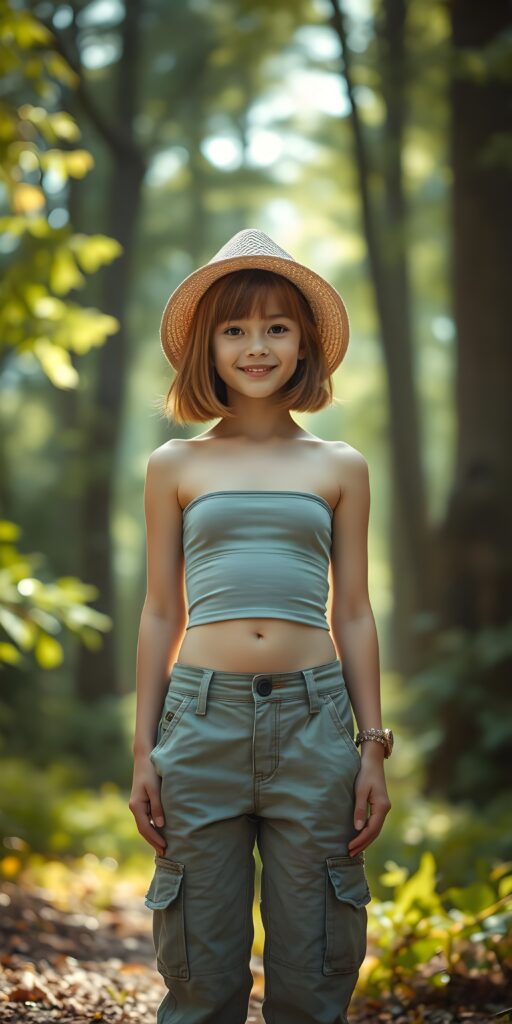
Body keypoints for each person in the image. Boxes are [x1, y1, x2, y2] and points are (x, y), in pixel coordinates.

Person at [129, 228, 393, 1024]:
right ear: (206, 348)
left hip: (315, 725)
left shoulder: (339, 464)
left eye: (277, 327)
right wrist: (144, 748)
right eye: (235, 329)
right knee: (202, 975)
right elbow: (160, 611)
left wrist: (372, 745)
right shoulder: (175, 465)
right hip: (200, 719)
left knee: (314, 972)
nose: (257, 346)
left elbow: (353, 609)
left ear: (304, 344)